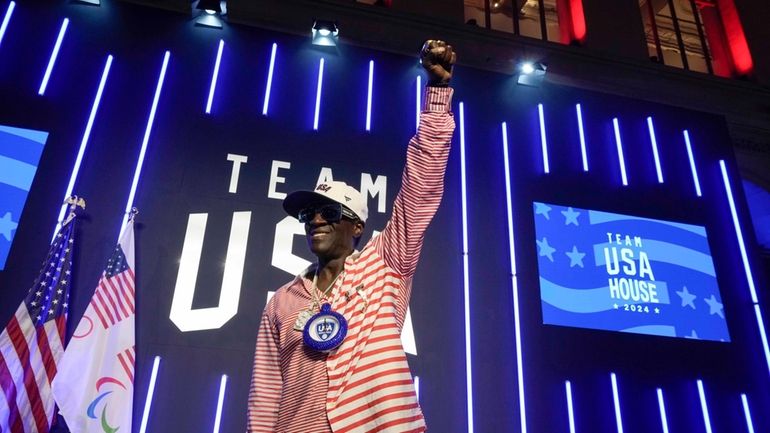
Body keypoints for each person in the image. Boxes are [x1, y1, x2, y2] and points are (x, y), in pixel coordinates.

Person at [248, 39, 457, 433]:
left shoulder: (386, 264)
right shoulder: (281, 302)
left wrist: (438, 95)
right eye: (309, 214)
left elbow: (421, 185)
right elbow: (265, 397)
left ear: (356, 226)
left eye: (329, 213)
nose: (316, 221)